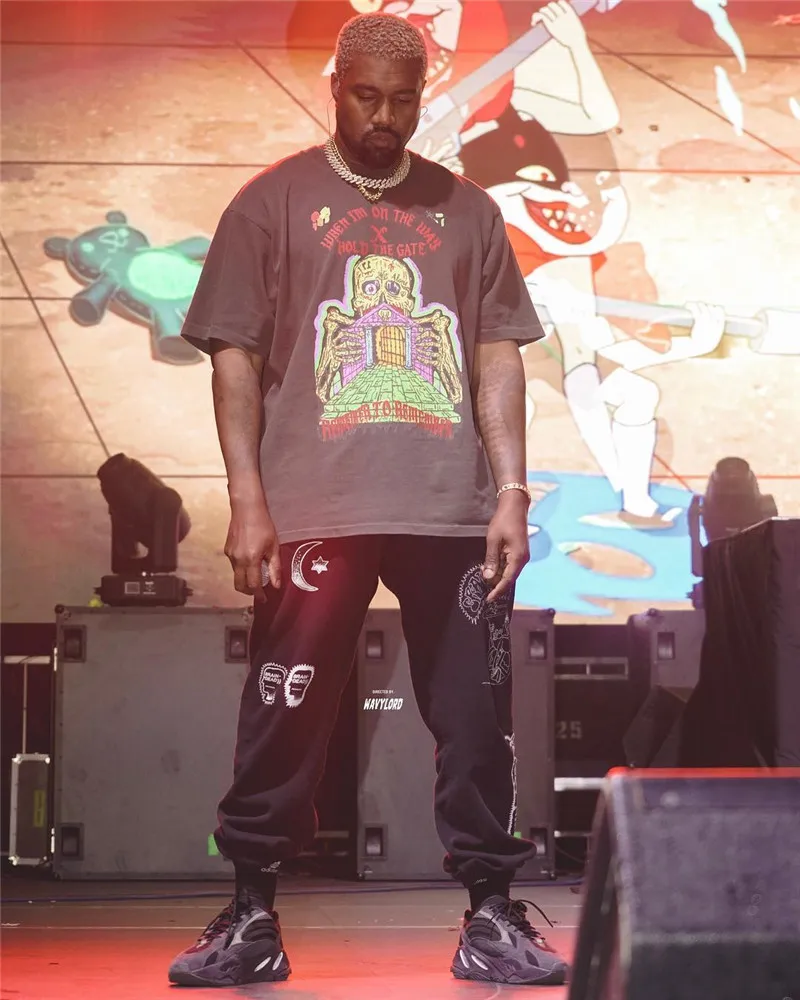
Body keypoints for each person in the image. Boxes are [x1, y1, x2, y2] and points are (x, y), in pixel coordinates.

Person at [167, 11, 568, 989]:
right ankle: (252, 914)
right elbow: (233, 359)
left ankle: (489, 915)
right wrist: (248, 499)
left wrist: (511, 490)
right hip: (315, 505)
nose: (383, 119)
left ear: (422, 96)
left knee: (475, 720)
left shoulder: (468, 211)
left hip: (450, 509)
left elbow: (497, 359)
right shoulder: (270, 203)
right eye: (366, 98)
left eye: (402, 101)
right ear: (335, 89)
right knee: (285, 711)